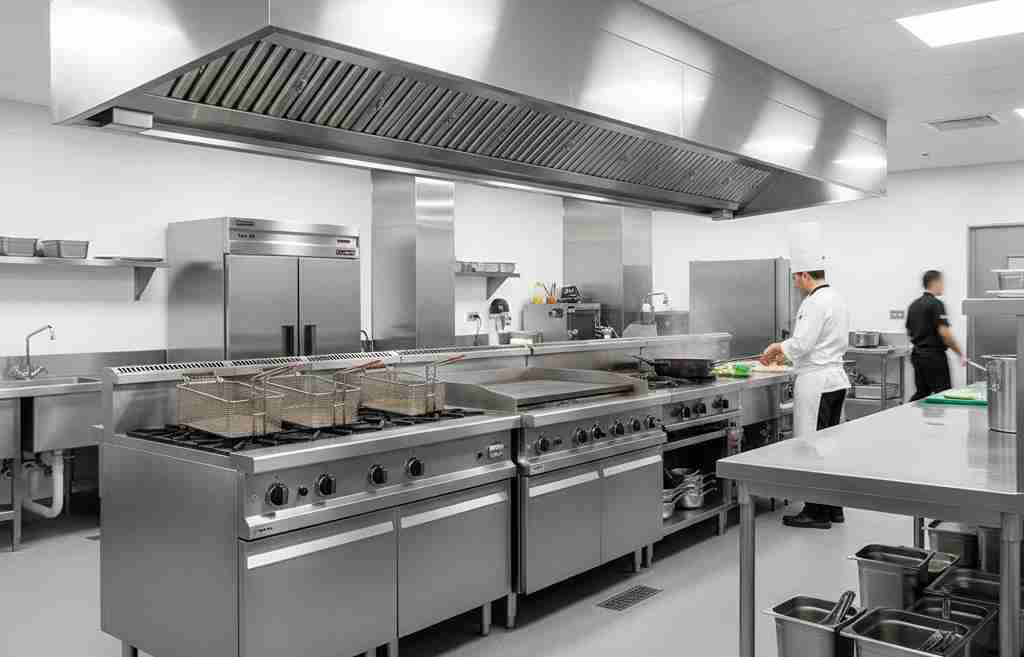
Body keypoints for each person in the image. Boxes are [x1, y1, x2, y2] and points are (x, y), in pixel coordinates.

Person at [760, 222, 850, 529]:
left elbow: (801, 344)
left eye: (795, 278)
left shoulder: (813, 303)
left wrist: (777, 347)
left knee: (813, 446)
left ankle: (816, 511)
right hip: (836, 380)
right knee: (831, 446)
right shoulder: (836, 298)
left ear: (804, 275)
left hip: (817, 382)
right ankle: (834, 508)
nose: (795, 284)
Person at [906, 270, 965, 401]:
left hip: (917, 356)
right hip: (934, 357)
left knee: (922, 393)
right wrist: (960, 353)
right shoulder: (936, 304)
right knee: (944, 394)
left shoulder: (914, 305)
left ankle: (910, 413)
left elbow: (909, 331)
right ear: (935, 282)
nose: (943, 286)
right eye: (942, 283)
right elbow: (945, 334)